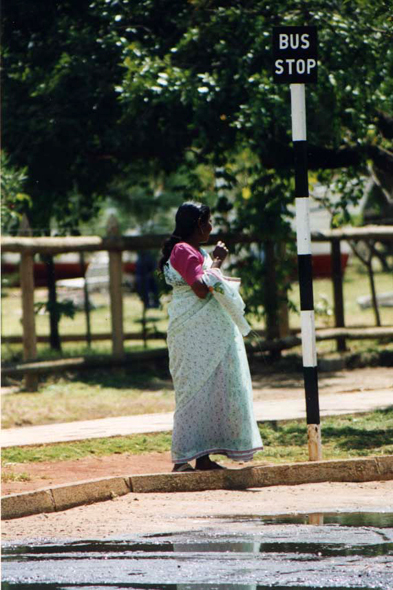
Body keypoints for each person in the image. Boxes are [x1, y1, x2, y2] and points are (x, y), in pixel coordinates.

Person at [159, 202, 263, 472]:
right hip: (192, 334)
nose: (211, 227)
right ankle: (182, 460)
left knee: (212, 392)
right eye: (207, 222)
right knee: (192, 392)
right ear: (196, 224)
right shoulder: (182, 250)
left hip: (211, 336)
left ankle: (203, 458)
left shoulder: (196, 251)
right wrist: (217, 261)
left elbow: (207, 281)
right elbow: (200, 289)